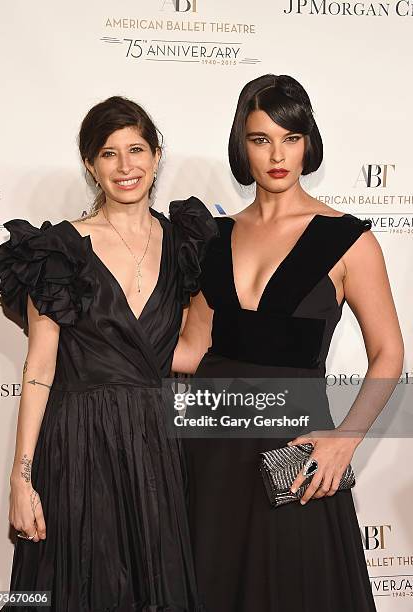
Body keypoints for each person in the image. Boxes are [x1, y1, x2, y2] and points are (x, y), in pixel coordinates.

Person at [172, 75, 404, 611]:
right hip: (208, 448)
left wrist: (346, 438)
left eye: (290, 137)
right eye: (260, 139)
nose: (277, 154)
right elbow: (190, 349)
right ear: (242, 146)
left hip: (293, 453)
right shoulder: (213, 236)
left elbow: (389, 353)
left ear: (308, 142)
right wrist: (94, 333)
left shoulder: (347, 238)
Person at [0, 95, 218, 611]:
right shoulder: (60, 249)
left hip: (158, 446)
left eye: (136, 149)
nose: (125, 166)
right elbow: (39, 369)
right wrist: (21, 477)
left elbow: (184, 353)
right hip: (79, 444)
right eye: (109, 153)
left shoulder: (184, 242)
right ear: (91, 165)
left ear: (157, 156)